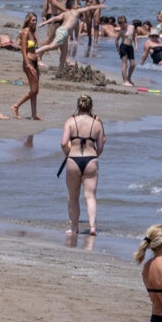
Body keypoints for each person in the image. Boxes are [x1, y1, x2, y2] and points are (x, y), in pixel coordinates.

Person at [61, 94, 104, 236]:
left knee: (73, 196)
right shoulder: (97, 123)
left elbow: (63, 143)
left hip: (73, 159)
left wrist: (68, 152)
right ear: (91, 106)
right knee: (90, 196)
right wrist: (95, 154)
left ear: (78, 106)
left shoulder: (70, 121)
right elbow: (101, 145)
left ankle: (74, 227)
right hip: (91, 159)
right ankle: (92, 226)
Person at [11, 12, 41, 120]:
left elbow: (36, 48)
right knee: (34, 90)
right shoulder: (25, 32)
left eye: (36, 20)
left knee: (35, 90)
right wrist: (28, 64)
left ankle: (34, 113)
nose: (35, 22)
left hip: (35, 61)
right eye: (33, 20)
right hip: (28, 61)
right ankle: (16, 106)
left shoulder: (33, 32)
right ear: (28, 20)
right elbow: (23, 50)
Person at [116, 15, 136, 87]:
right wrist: (118, 49)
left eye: (123, 24)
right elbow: (116, 41)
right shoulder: (121, 31)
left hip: (130, 47)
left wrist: (136, 45)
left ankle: (129, 78)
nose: (122, 26)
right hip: (123, 47)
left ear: (126, 22)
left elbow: (134, 36)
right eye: (120, 24)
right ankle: (125, 81)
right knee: (125, 64)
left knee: (133, 64)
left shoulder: (132, 27)